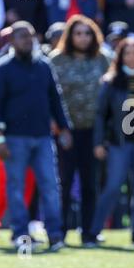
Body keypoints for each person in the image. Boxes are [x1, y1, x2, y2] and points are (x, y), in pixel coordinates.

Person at [0, 21, 72, 251]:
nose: (28, 40)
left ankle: (55, 235)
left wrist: (64, 128)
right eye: (22, 36)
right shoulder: (0, 69)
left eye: (31, 35)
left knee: (50, 187)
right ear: (12, 40)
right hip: (14, 139)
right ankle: (20, 234)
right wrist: (0, 138)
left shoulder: (43, 66)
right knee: (15, 187)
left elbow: (56, 99)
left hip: (43, 137)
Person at [87, 37, 134, 248]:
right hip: (119, 143)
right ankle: (94, 232)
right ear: (120, 56)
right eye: (127, 53)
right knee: (113, 186)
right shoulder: (110, 81)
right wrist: (98, 142)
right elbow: (101, 115)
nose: (132, 57)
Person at [50, 14, 110, 245]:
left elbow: (109, 97)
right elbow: (49, 96)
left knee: (90, 183)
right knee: (63, 183)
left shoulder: (102, 59)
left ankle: (89, 232)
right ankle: (60, 232)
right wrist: (55, 124)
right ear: (70, 36)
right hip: (65, 131)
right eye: (78, 33)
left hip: (93, 132)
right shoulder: (56, 60)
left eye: (87, 33)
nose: (83, 38)